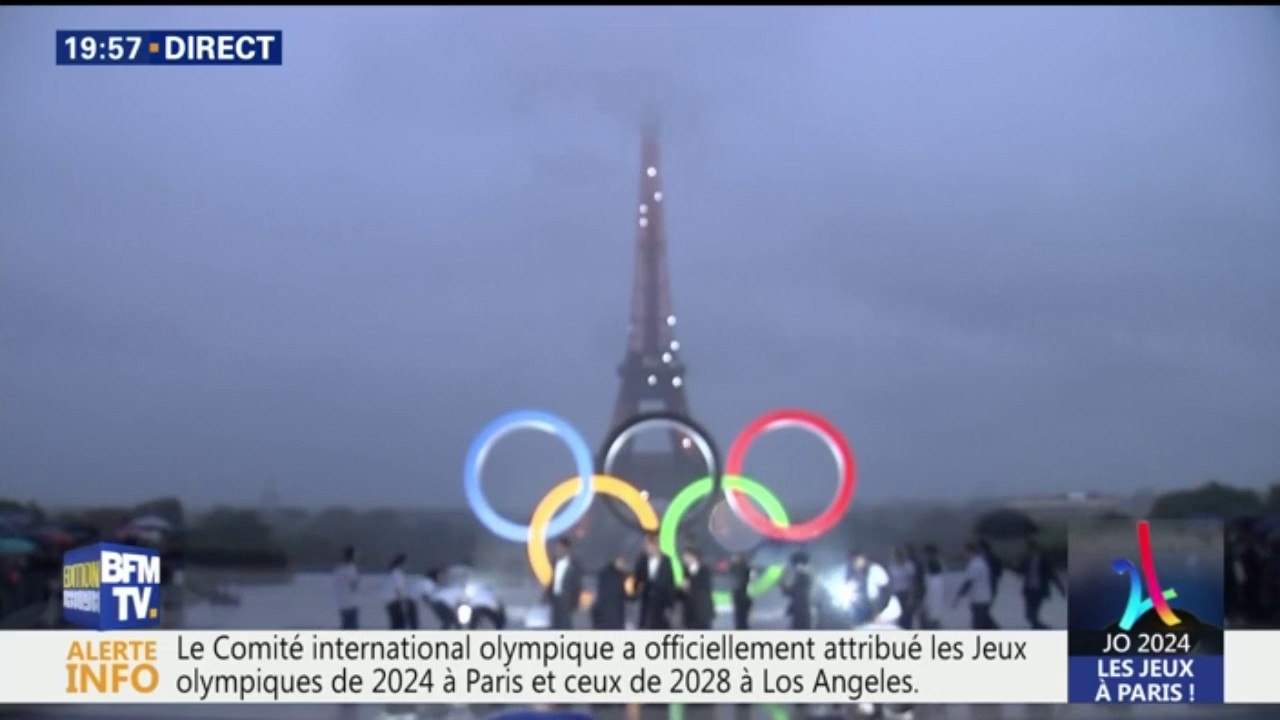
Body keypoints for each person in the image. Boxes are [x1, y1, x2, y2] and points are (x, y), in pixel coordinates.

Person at [1019, 537, 1063, 629]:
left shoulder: (1043, 560)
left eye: (1030, 548)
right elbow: (1020, 571)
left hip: (1039, 590)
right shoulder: (1027, 560)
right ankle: (1041, 628)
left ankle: (1040, 628)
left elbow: (1051, 574)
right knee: (1029, 615)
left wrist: (1060, 587)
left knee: (1033, 614)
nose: (1028, 551)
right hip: (1029, 590)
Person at [633, 532, 675, 629]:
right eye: (646, 546)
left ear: (656, 546)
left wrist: (670, 605)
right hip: (646, 603)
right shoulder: (642, 560)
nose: (647, 548)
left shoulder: (666, 561)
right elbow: (637, 579)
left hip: (661, 604)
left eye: (650, 546)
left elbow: (670, 583)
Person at [848, 550, 900, 627]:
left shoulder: (876, 570)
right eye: (852, 562)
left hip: (886, 611)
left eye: (856, 560)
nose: (855, 564)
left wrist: (878, 612)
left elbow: (885, 593)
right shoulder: (859, 575)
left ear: (863, 558)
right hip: (873, 613)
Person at [955, 542, 997, 629]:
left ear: (970, 551)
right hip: (982, 596)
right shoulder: (980, 562)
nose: (964, 554)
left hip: (979, 598)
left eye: (965, 551)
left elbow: (969, 581)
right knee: (985, 621)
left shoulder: (975, 564)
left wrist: (960, 593)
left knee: (979, 623)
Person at [545, 537, 583, 630]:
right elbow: (554, 581)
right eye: (557, 548)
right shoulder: (555, 563)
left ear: (566, 549)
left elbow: (577, 585)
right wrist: (548, 595)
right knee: (555, 626)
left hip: (567, 601)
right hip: (555, 600)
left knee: (565, 626)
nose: (558, 550)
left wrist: (574, 603)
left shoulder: (573, 565)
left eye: (560, 548)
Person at [679, 546, 715, 630]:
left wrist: (690, 585)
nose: (684, 558)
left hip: (702, 612)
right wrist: (681, 589)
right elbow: (683, 591)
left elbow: (706, 587)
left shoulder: (704, 569)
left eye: (685, 556)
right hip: (689, 613)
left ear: (692, 556)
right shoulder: (685, 570)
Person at [592, 556, 630, 630]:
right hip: (615, 620)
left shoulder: (603, 574)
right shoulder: (622, 578)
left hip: (601, 619)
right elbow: (630, 597)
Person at [888, 546, 919, 629]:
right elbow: (891, 581)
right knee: (898, 616)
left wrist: (911, 596)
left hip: (906, 593)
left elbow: (912, 582)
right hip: (896, 593)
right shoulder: (892, 567)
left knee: (907, 616)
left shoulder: (908, 566)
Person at [782, 551, 813, 630]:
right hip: (803, 611)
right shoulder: (805, 576)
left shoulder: (802, 577)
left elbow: (791, 592)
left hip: (801, 612)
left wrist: (781, 582)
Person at [919, 543, 946, 630]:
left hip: (932, 591)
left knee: (930, 613)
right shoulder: (938, 564)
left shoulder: (932, 563)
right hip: (935, 591)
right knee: (933, 613)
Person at [333, 545, 360, 630]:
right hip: (351, 604)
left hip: (342, 604)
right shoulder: (352, 569)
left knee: (345, 627)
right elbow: (354, 586)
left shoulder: (338, 569)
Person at [382, 553, 409, 630]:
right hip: (396, 602)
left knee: (394, 624)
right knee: (399, 625)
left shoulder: (391, 573)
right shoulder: (398, 574)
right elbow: (398, 590)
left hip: (390, 602)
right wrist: (403, 604)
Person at [728, 553, 754, 630]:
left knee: (741, 618)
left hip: (741, 597)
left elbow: (743, 581)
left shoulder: (743, 570)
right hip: (742, 597)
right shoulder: (745, 569)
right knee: (741, 619)